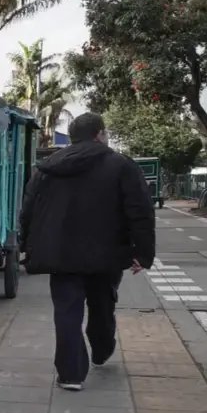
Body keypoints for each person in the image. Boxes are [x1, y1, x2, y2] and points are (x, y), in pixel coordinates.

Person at [20, 112, 155, 391]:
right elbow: (140, 212)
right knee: (103, 305)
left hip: (60, 255)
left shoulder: (47, 168)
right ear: (99, 134)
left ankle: (70, 375)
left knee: (67, 312)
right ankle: (102, 349)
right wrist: (143, 254)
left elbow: (28, 212)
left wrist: (26, 247)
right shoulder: (121, 165)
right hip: (106, 255)